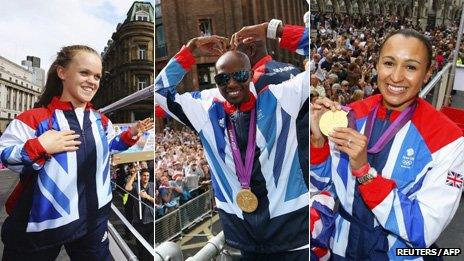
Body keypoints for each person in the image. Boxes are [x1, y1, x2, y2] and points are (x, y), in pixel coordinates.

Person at [155, 21, 309, 259]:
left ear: (251, 74)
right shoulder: (205, 107)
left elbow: (317, 57)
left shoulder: (281, 96)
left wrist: (272, 29)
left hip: (291, 235)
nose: (232, 84)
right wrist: (191, 50)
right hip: (242, 237)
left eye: (239, 75)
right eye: (223, 79)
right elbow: (159, 92)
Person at [310, 29, 464, 260]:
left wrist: (364, 173)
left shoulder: (447, 138)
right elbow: (321, 186)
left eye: (411, 67)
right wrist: (318, 142)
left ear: (427, 73)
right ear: (377, 65)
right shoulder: (350, 114)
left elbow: (423, 230)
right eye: (389, 63)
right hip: (341, 248)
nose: (396, 77)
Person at [0, 45, 153, 260]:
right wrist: (40, 146)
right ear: (62, 73)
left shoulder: (101, 120)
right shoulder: (34, 118)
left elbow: (109, 146)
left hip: (93, 220)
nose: (92, 81)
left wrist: (129, 135)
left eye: (97, 76)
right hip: (42, 225)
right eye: (85, 73)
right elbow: (4, 154)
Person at [124, 168, 154, 261]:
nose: (146, 177)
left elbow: (156, 201)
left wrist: (147, 197)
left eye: (148, 176)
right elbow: (127, 188)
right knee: (140, 246)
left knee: (150, 246)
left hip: (150, 221)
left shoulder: (152, 185)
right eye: (144, 175)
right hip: (138, 222)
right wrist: (134, 174)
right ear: (140, 176)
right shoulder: (136, 185)